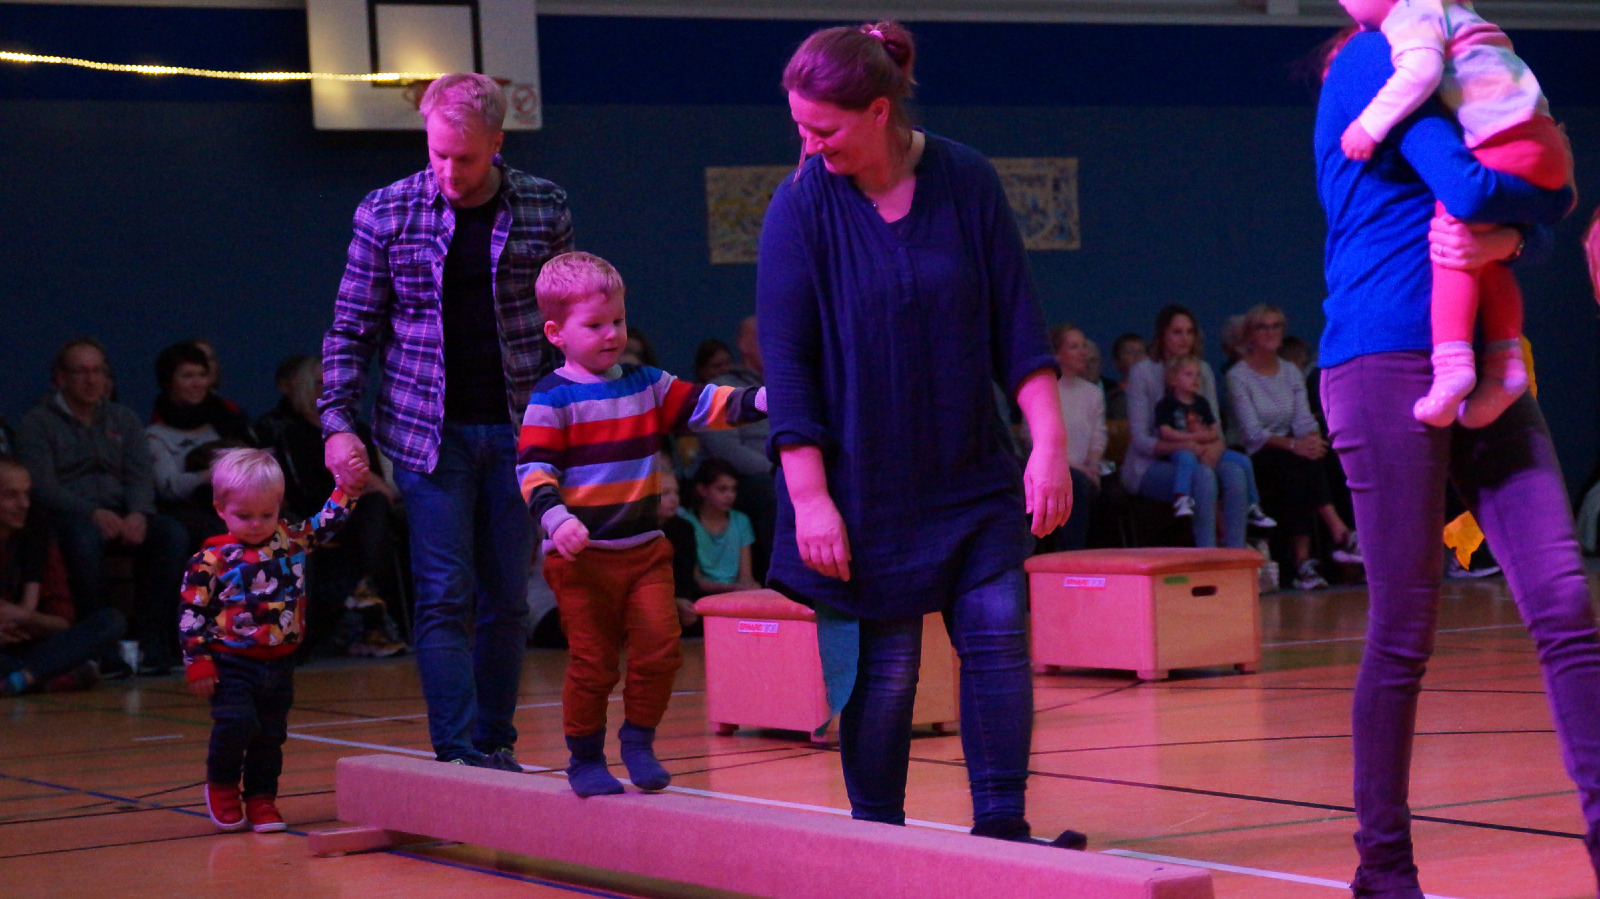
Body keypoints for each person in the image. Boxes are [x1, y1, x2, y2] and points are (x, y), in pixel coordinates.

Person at [758, 21, 1079, 847]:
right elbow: (787, 367)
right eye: (800, 127)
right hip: (861, 488)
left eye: (823, 129)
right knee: (889, 670)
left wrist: (1048, 446)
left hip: (969, 473)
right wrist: (810, 497)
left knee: (998, 636)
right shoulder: (800, 206)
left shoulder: (965, 179)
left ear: (878, 110)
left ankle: (1003, 829)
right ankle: (879, 842)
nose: (809, 144)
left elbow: (1019, 326)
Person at [1315, 19, 1591, 898]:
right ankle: (1383, 869)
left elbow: (1530, 209)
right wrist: (1541, 206)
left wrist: (1518, 237)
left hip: (1481, 362)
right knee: (1403, 628)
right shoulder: (1372, 58)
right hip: (1384, 359)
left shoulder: (1451, 68)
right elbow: (1481, 189)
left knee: (1565, 601)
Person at [319, 73, 573, 769]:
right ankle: (456, 753)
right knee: (441, 594)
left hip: (519, 430)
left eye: (466, 157)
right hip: (425, 434)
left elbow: (566, 322)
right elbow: (351, 327)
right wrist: (338, 423)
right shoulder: (386, 211)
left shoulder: (544, 206)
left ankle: (496, 742)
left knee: (507, 599)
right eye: (437, 155)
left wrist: (577, 416)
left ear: (497, 142)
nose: (450, 172)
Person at [516, 251, 766, 797]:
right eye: (595, 325)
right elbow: (533, 472)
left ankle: (638, 740)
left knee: (660, 649)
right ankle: (585, 758)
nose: (611, 334)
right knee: (594, 663)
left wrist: (765, 398)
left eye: (618, 320)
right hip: (582, 561)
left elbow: (707, 403)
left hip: (645, 551)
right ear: (556, 333)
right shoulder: (552, 398)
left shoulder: (645, 383)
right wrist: (557, 520)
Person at [1338, 0, 1572, 429]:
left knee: (1451, 244)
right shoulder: (1461, 13)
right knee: (1486, 260)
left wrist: (1369, 125)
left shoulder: (1408, 18)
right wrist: (1542, 214)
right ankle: (1506, 366)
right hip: (1543, 143)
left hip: (1504, 140)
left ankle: (1453, 368)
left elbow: (1420, 75)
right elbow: (1550, 213)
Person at [180, 448, 362, 833]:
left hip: (279, 662)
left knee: (271, 734)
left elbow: (327, 522)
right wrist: (198, 662)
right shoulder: (210, 559)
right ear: (220, 509)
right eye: (244, 516)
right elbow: (191, 614)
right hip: (231, 661)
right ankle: (222, 786)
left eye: (267, 514)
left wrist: (347, 490)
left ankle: (262, 797)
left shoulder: (290, 540)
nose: (257, 525)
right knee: (236, 722)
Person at [16, 338, 190, 673]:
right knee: (82, 538)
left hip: (122, 510)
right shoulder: (37, 423)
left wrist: (139, 513)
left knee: (171, 534)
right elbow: (41, 485)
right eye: (81, 372)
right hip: (69, 514)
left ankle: (150, 640)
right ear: (60, 378)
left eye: (97, 371)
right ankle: (100, 644)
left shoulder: (123, 419)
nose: (91, 380)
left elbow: (140, 474)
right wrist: (91, 512)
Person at [261, 356, 405, 658]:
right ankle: (365, 597)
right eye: (319, 384)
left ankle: (367, 591)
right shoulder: (293, 435)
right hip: (318, 513)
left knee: (381, 507)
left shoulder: (357, 431)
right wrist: (356, 484)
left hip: (361, 514)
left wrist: (364, 484)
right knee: (374, 507)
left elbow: (378, 484)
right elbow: (305, 491)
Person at [1226, 304, 1361, 590]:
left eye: (1276, 326)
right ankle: (1334, 536)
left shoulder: (1290, 371)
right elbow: (1252, 433)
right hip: (1253, 453)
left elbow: (1302, 418)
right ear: (1250, 334)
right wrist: (1296, 445)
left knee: (1324, 456)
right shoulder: (1238, 376)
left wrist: (1311, 440)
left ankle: (1317, 557)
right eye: (1263, 327)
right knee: (1296, 464)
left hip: (1291, 449)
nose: (1271, 332)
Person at [1122, 306, 1251, 548]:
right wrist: (1186, 447)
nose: (1185, 339)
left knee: (1235, 472)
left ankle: (1236, 553)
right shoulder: (1143, 372)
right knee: (1203, 477)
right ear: (1162, 336)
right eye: (1177, 332)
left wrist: (1215, 448)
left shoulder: (1202, 370)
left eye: (1190, 332)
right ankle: (1206, 555)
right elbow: (1141, 440)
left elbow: (1216, 428)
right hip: (1150, 464)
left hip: (1199, 454)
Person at [1, 456, 125, 696]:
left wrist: (24, 616)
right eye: (10, 495)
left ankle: (23, 678)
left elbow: (61, 622)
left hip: (29, 643)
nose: (23, 504)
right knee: (74, 662)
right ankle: (44, 677)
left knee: (111, 621)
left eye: (27, 494)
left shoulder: (36, 538)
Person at [146, 340, 254, 552]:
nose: (197, 383)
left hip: (232, 504)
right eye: (187, 376)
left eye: (202, 375)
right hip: (184, 511)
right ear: (168, 382)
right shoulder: (155, 435)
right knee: (220, 534)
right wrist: (208, 476)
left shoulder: (224, 422)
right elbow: (169, 487)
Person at [696, 315, 776, 581]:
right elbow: (727, 450)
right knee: (774, 491)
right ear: (744, 345)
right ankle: (783, 583)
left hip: (788, 471)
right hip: (744, 479)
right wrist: (781, 469)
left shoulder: (788, 385)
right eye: (764, 337)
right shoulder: (722, 387)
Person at [1154, 356, 1274, 528]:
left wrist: (1206, 438)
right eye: (1189, 374)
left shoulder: (1201, 403)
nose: (1195, 379)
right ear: (1173, 380)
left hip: (1206, 448)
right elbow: (1165, 432)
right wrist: (1193, 439)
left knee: (1243, 460)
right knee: (1185, 458)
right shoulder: (1166, 404)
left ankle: (1252, 505)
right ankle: (1182, 498)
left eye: (1197, 375)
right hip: (1182, 449)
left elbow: (1214, 429)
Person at [1034, 324, 1104, 552]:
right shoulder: (1043, 390)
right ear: (1057, 354)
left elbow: (1098, 437)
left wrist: (1093, 465)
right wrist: (1077, 469)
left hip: (1084, 472)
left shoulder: (1093, 393)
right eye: (1074, 347)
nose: (1083, 352)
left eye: (1083, 346)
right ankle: (1069, 556)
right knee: (1076, 483)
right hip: (1048, 471)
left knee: (1088, 485)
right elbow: (1036, 441)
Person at [680, 459, 760, 595]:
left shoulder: (741, 521)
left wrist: (747, 587)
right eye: (722, 489)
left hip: (736, 594)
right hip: (702, 596)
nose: (730, 495)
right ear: (702, 490)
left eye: (733, 489)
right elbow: (695, 579)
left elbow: (746, 576)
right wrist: (731, 588)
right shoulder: (686, 523)